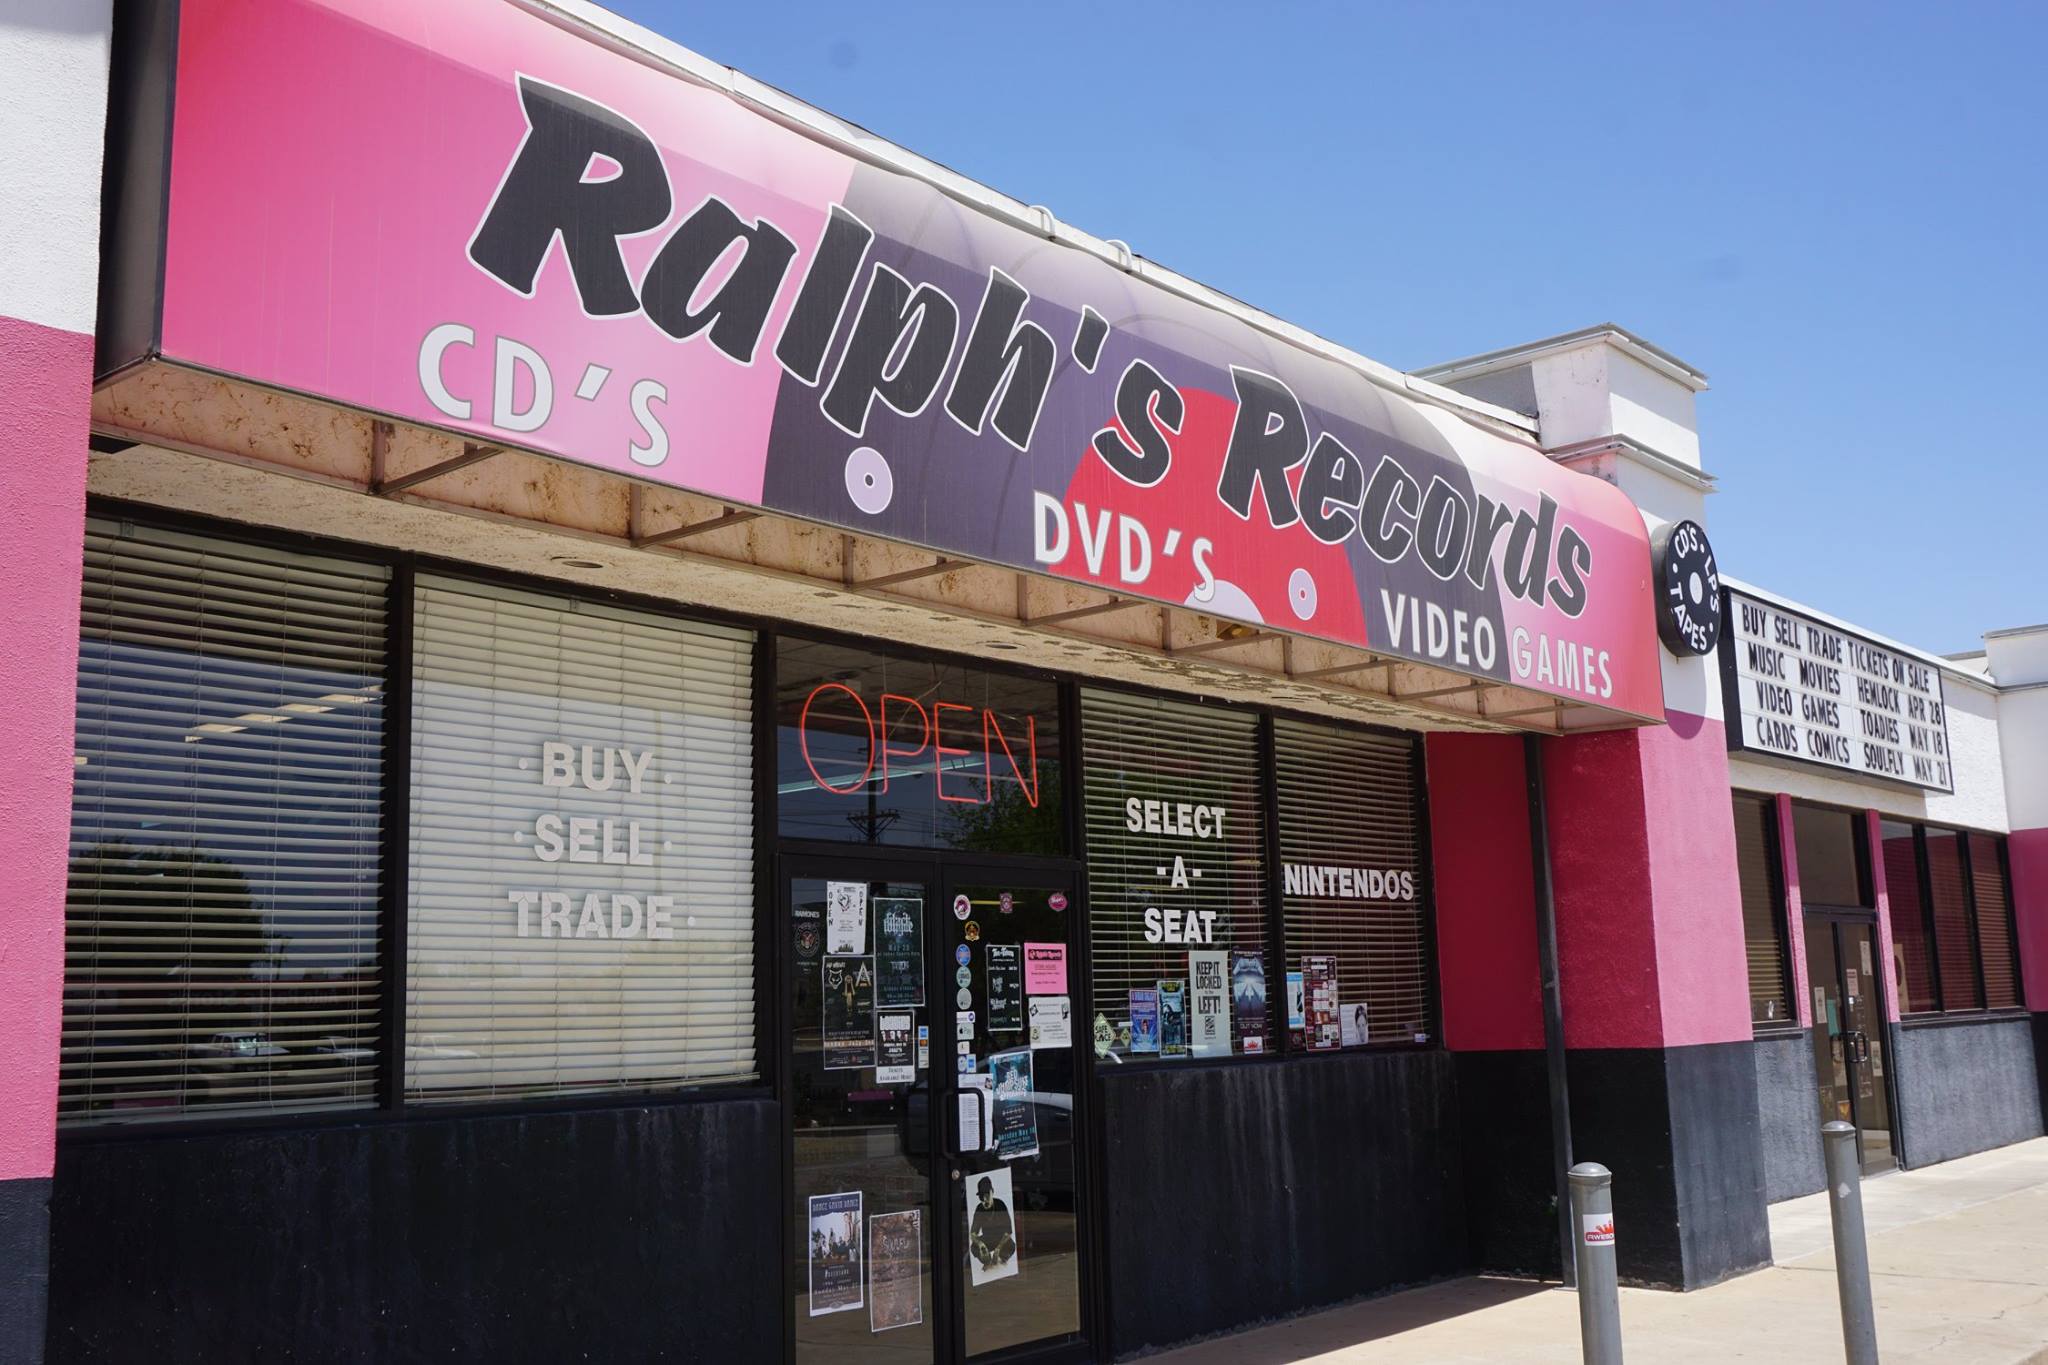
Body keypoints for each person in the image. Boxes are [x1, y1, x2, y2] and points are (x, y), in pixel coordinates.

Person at [969, 1176, 1015, 1271]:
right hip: (987, 1239)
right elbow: (973, 1233)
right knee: (974, 1247)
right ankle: (987, 1260)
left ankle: (1000, 1259)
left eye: (987, 1195)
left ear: (992, 1191)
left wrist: (999, 1248)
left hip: (1001, 1238)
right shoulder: (979, 1209)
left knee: (1011, 1245)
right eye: (982, 1197)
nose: (985, 1200)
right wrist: (981, 1244)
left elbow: (1009, 1231)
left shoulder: (1000, 1205)